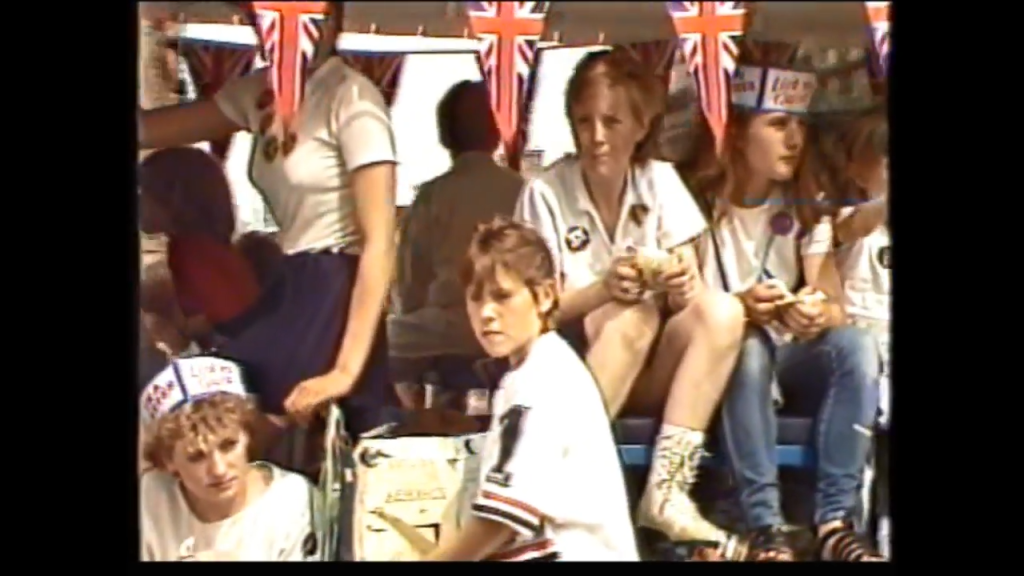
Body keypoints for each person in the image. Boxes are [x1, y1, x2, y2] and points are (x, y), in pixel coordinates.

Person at [513, 47, 746, 558]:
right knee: (627, 316)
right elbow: (528, 315)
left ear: (641, 126)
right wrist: (602, 288)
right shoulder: (545, 193)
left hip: (654, 368)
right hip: (576, 372)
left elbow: (691, 285)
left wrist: (682, 283)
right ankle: (562, 483)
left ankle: (667, 490)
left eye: (611, 121)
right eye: (584, 121)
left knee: (724, 310)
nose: (596, 136)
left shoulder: (660, 180)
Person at [138, 2, 399, 438]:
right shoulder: (263, 91)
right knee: (198, 403)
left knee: (221, 410)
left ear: (328, 19)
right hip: (290, 281)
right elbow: (149, 130)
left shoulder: (351, 97)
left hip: (337, 285)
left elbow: (380, 242)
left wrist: (345, 370)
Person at [692, 43, 883, 561]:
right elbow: (680, 310)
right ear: (735, 133)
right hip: (716, 363)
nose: (795, 138)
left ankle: (836, 522)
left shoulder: (805, 207)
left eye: (798, 124)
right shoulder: (694, 205)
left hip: (792, 358)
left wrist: (816, 310)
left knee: (855, 345)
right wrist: (739, 305)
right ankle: (765, 525)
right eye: (778, 124)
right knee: (746, 341)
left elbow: (836, 306)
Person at [422, 217, 638, 561]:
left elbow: (501, 520)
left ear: (545, 295)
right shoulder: (542, 366)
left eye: (502, 296)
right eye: (475, 299)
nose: (487, 313)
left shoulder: (539, 380)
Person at [389, 80, 524, 401]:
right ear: (495, 132)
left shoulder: (433, 196)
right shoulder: (522, 189)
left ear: (445, 135)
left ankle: (407, 421)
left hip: (444, 329)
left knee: (370, 342)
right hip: (512, 322)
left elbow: (410, 285)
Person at [140, 355, 317, 561]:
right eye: (196, 457)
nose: (219, 469)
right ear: (167, 461)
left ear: (248, 434)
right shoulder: (152, 496)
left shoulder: (289, 500)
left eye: (229, 446)